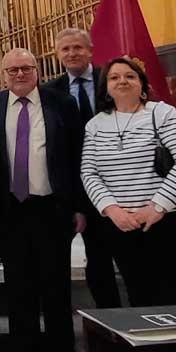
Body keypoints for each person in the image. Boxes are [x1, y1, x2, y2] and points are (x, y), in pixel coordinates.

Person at [0, 48, 85, 352]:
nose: (20, 74)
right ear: (2, 74)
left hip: (52, 209)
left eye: (26, 68)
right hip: (12, 211)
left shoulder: (62, 104)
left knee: (56, 289)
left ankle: (61, 349)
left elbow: (75, 157)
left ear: (37, 71)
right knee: (18, 290)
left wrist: (78, 206)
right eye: (12, 70)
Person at [82, 57, 176, 307]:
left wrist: (157, 207)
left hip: (170, 223)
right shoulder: (95, 125)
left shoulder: (161, 113)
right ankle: (149, 347)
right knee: (139, 296)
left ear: (142, 83)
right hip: (122, 225)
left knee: (174, 297)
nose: (122, 81)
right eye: (114, 77)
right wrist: (112, 210)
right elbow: (89, 172)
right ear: (105, 87)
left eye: (130, 76)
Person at [49, 28, 122, 309]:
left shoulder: (113, 80)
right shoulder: (51, 91)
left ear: (90, 50)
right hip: (72, 187)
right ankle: (108, 317)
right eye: (65, 49)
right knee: (96, 260)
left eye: (77, 48)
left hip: (115, 182)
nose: (72, 54)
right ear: (58, 54)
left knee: (122, 254)